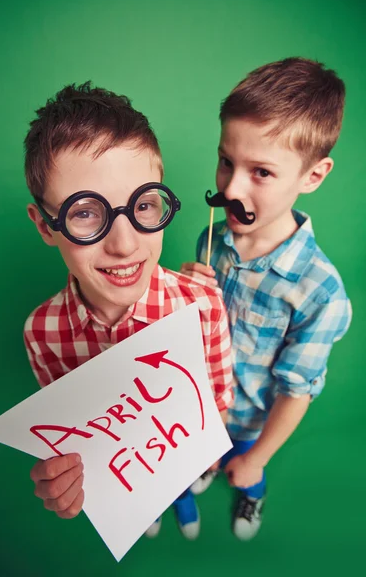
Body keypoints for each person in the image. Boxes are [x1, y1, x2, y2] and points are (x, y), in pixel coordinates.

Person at [23, 82, 233, 541]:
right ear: (45, 225)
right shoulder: (41, 333)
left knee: (183, 481)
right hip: (124, 472)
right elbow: (73, 435)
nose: (124, 245)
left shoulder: (203, 306)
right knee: (144, 501)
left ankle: (181, 492)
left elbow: (220, 395)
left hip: (187, 449)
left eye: (143, 205)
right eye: (85, 212)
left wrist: (202, 448)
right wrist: (71, 479)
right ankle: (148, 505)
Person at [181, 58, 352, 541]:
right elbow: (204, 332)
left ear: (313, 176)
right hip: (201, 405)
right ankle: (204, 467)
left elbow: (296, 390)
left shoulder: (321, 293)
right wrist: (189, 303)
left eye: (261, 172)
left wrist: (255, 456)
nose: (230, 189)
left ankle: (251, 490)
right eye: (226, 162)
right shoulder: (211, 240)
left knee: (247, 469)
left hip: (254, 421)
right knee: (199, 458)